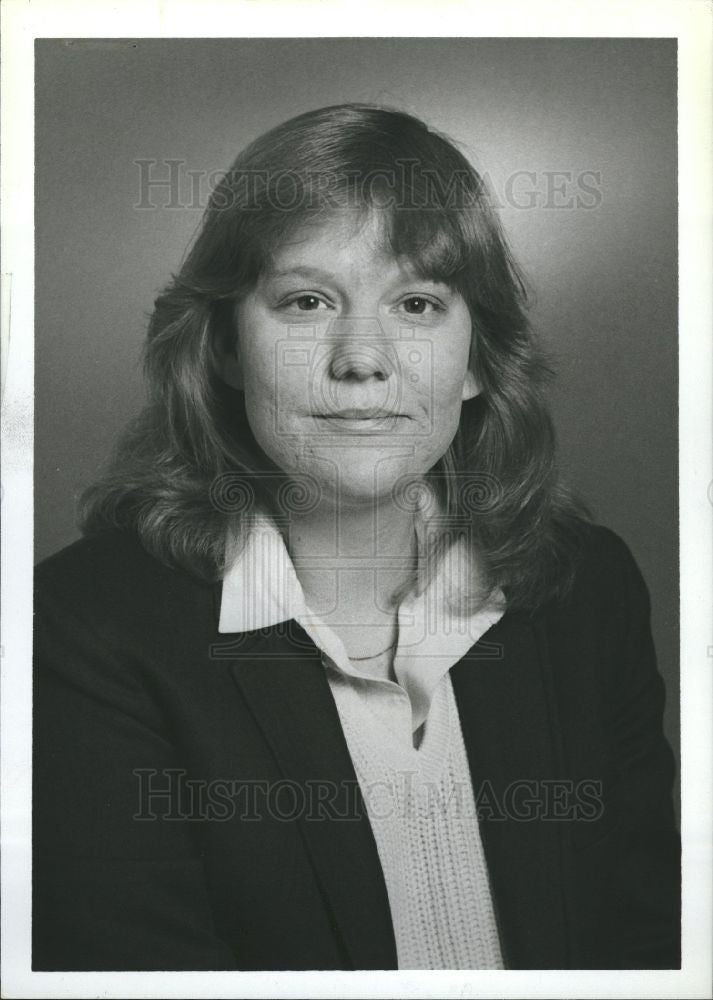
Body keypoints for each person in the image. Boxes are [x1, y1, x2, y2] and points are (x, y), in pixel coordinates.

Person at [32, 103, 680, 971]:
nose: (361, 358)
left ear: (479, 356)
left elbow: (648, 941)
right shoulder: (78, 629)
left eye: (416, 303)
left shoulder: (586, 585)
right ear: (223, 344)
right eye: (305, 301)